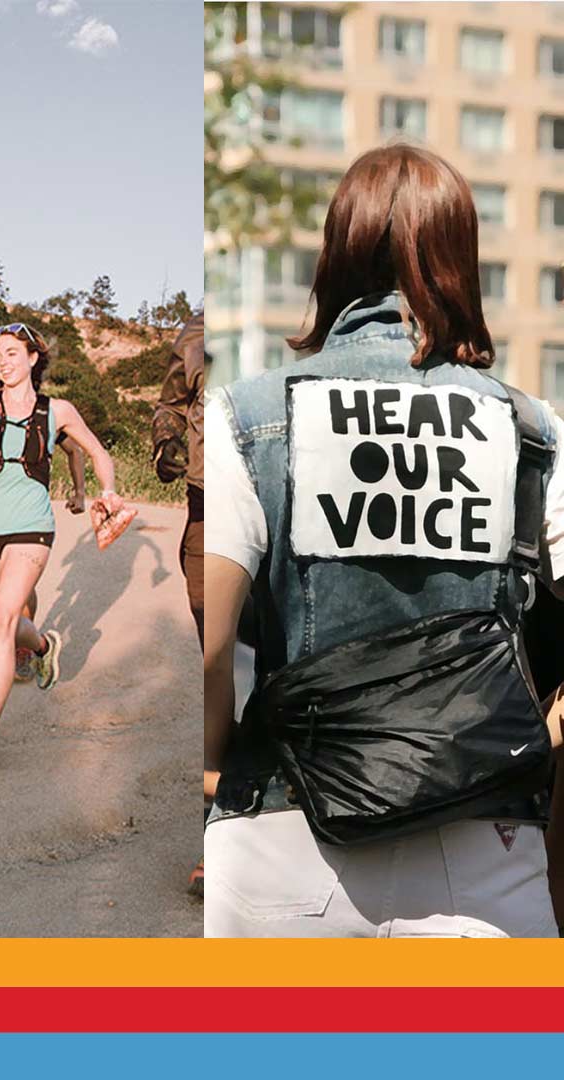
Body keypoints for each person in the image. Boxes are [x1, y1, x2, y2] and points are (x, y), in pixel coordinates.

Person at [202, 143, 564, 938]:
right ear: (459, 259)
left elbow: (208, 647)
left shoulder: (243, 415)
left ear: (336, 254)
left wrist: (215, 756)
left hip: (280, 836)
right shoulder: (536, 432)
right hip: (484, 849)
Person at [0, 323, 124, 770]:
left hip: (33, 527)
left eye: (12, 354)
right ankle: (42, 647)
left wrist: (106, 490)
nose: (3, 362)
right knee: (6, 619)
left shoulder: (59, 410)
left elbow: (96, 453)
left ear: (33, 359)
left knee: (0, 624)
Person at [0, 384, 88, 683]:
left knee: (17, 589)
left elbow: (75, 451)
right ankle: (26, 638)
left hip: (29, 516)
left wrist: (80, 492)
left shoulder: (41, 416)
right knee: (0, 601)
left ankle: (23, 647)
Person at [151, 314, 207, 894]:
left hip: (283, 511)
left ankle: (230, 828)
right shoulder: (196, 332)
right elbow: (168, 403)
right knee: (224, 670)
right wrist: (165, 439)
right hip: (204, 511)